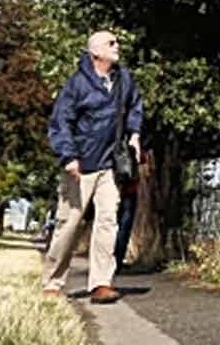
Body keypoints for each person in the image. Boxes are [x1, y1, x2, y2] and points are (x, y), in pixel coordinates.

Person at [41, 29, 143, 304]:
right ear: (95, 52)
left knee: (108, 221)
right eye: (111, 43)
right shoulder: (76, 85)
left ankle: (101, 283)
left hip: (111, 165)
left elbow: (135, 106)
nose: (117, 45)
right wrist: (68, 156)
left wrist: (134, 133)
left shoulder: (124, 79)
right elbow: (60, 123)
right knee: (69, 225)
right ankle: (53, 281)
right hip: (81, 164)